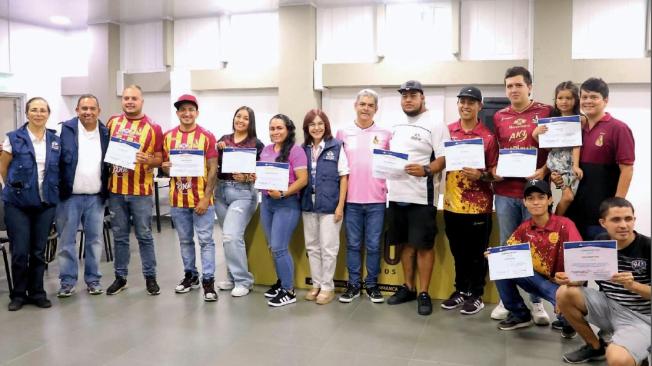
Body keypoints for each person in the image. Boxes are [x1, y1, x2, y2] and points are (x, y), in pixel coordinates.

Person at [491, 66, 553, 324]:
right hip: (505, 193)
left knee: (535, 249)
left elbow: (558, 148)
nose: (513, 90)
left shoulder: (546, 112)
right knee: (508, 247)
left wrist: (544, 169)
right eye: (509, 86)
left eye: (518, 85)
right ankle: (510, 302)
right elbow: (496, 150)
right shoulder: (498, 116)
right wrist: (494, 169)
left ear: (529, 87)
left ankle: (537, 302)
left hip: (535, 195)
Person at [557, 198, 650, 365]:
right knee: (564, 292)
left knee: (617, 358)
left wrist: (633, 285)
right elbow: (585, 277)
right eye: (616, 219)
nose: (623, 225)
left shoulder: (647, 247)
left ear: (634, 220)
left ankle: (636, 352)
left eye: (628, 219)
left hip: (641, 316)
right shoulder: (600, 242)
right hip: (609, 306)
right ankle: (594, 347)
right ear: (603, 222)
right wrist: (571, 279)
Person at [385, 80, 449, 316]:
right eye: (404, 96)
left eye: (413, 95)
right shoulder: (395, 123)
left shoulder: (436, 123)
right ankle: (408, 287)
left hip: (422, 196)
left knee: (423, 246)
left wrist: (426, 170)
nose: (408, 100)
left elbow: (443, 158)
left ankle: (423, 292)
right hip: (397, 194)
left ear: (423, 98)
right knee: (404, 244)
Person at [493, 179, 579, 337]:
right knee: (499, 262)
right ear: (524, 202)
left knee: (570, 318)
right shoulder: (524, 228)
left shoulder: (565, 225)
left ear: (550, 199)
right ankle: (520, 314)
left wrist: (569, 285)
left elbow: (579, 260)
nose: (536, 202)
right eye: (530, 198)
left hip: (561, 284)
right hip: (534, 279)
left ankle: (566, 318)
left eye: (541, 197)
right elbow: (509, 252)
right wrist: (495, 255)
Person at [441, 86, 498, 315]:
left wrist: (481, 175)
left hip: (479, 206)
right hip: (451, 204)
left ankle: (476, 294)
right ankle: (461, 291)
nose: (466, 106)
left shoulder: (488, 137)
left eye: (471, 102)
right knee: (458, 252)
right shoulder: (448, 132)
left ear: (479, 106)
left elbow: (495, 172)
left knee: (477, 254)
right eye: (462, 101)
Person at [0, 97, 61, 311]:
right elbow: (4, 167)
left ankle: (37, 292)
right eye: (34, 110)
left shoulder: (55, 140)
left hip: (45, 203)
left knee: (37, 251)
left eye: (42, 110)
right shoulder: (13, 138)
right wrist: (17, 188)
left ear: (48, 113)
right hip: (17, 204)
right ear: (27, 113)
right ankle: (18, 294)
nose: (38, 113)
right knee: (20, 251)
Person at [105, 85, 163, 296]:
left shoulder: (153, 127)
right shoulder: (112, 122)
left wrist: (149, 160)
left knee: (144, 235)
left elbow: (160, 159)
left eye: (134, 98)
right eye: (126, 98)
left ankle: (150, 277)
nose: (130, 101)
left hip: (141, 191)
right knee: (119, 236)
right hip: (116, 190)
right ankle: (121, 278)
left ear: (142, 101)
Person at [335, 89, 391, 304]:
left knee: (374, 245)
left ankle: (372, 285)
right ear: (355, 106)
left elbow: (393, 165)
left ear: (376, 109)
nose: (366, 108)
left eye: (370, 105)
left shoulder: (386, 134)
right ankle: (353, 284)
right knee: (353, 245)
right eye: (362, 104)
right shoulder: (343, 133)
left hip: (377, 199)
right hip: (351, 200)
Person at [162, 95, 219, 302]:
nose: (187, 113)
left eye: (191, 109)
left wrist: (206, 197)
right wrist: (164, 167)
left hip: (201, 200)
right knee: (185, 241)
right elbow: (167, 168)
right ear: (178, 113)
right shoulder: (168, 137)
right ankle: (190, 276)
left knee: (206, 241)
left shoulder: (207, 136)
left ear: (197, 112)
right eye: (182, 110)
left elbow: (213, 168)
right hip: (178, 200)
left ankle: (209, 281)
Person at [563, 78, 635, 241]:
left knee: (600, 263)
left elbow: (627, 169)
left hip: (601, 215)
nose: (588, 101)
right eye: (584, 97)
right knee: (575, 262)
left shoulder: (619, 128)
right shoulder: (575, 128)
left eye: (594, 97)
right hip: (576, 211)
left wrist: (617, 207)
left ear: (605, 100)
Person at [55, 94, 110, 297]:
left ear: (98, 111)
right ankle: (67, 282)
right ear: (77, 110)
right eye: (84, 108)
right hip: (69, 197)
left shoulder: (105, 133)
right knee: (66, 241)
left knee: (94, 241)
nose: (88, 112)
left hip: (96, 198)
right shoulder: (63, 130)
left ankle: (93, 280)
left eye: (92, 108)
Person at [300, 109, 349, 305]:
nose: (316, 127)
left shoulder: (336, 146)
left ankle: (328, 287)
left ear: (326, 125)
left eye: (320, 123)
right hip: (308, 205)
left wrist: (340, 206)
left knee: (328, 248)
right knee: (312, 247)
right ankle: (317, 284)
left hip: (330, 206)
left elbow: (344, 177)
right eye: (312, 124)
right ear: (307, 128)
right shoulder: (302, 148)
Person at [214, 106, 264, 297]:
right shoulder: (223, 140)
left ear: (250, 122)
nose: (241, 120)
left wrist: (249, 177)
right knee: (228, 237)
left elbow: (262, 171)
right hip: (221, 192)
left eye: (245, 118)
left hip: (242, 193)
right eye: (238, 116)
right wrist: (216, 148)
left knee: (231, 236)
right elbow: (213, 163)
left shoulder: (256, 144)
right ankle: (232, 277)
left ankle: (244, 280)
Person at [259, 114, 308, 307]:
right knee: (273, 247)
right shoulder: (266, 150)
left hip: (286, 204)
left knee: (279, 247)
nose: (275, 132)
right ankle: (281, 283)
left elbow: (303, 179)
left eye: (279, 128)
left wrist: (284, 193)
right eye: (272, 128)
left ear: (288, 130)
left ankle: (289, 291)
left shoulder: (296, 151)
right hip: (267, 203)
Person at [532, 81, 584, 216]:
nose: (564, 101)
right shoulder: (552, 120)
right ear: (555, 100)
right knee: (568, 197)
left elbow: (577, 143)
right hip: (557, 160)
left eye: (568, 98)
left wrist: (576, 165)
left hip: (572, 161)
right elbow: (548, 147)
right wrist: (536, 134)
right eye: (560, 98)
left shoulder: (581, 119)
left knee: (572, 196)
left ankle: (556, 220)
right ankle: (556, 220)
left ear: (575, 100)